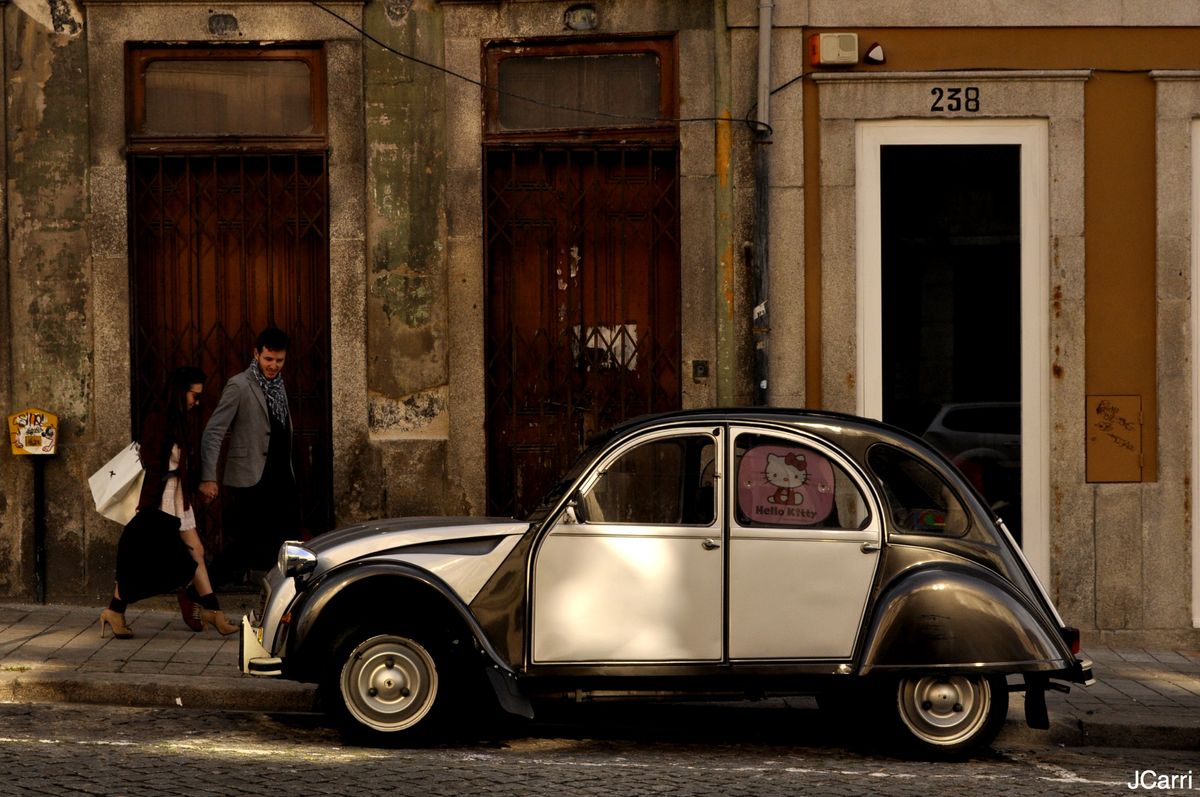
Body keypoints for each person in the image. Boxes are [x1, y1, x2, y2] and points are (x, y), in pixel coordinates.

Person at [99, 366, 238, 639]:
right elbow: (153, 463)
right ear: (180, 391)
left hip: (176, 493)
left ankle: (213, 610)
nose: (196, 401)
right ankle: (115, 610)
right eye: (194, 395)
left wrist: (195, 484)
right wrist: (149, 505)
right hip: (160, 495)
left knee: (195, 549)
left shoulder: (179, 419)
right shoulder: (159, 418)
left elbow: (181, 463)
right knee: (143, 557)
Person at [199, 327, 300, 583]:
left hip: (281, 478)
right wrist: (208, 476)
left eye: (279, 360)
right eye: (268, 359)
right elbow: (214, 432)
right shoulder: (239, 385)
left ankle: (272, 599)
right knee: (245, 545)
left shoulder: (280, 386)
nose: (273, 366)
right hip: (251, 478)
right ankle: (200, 593)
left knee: (283, 545)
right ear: (256, 354)